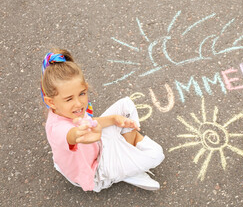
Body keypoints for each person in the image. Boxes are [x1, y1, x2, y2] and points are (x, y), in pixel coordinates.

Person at [41, 49, 165, 192]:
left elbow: (92, 123)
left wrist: (113, 119)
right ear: (51, 102)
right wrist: (80, 133)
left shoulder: (66, 111)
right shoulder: (58, 129)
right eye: (69, 99)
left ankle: (125, 161)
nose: (79, 103)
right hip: (96, 171)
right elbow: (72, 134)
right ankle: (126, 169)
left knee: (126, 104)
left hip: (98, 146)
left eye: (82, 93)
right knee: (156, 153)